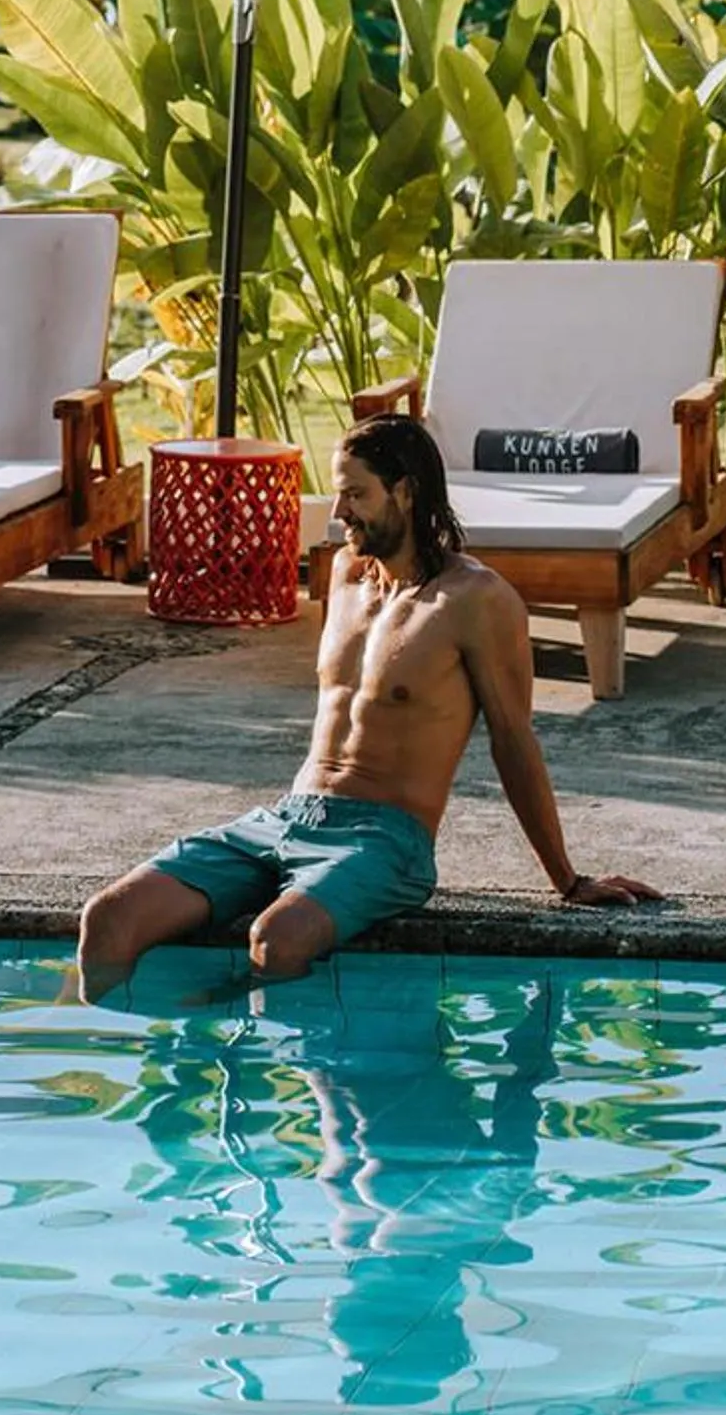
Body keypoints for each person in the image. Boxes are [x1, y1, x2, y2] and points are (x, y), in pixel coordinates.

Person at [77, 411, 664, 995]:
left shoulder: (476, 601)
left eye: (355, 494)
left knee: (275, 939)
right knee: (107, 919)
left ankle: (253, 1059)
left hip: (385, 841)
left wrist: (568, 879)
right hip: (286, 816)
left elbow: (514, 740)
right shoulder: (345, 577)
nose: (339, 514)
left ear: (404, 492)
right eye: (338, 495)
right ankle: (94, 1046)